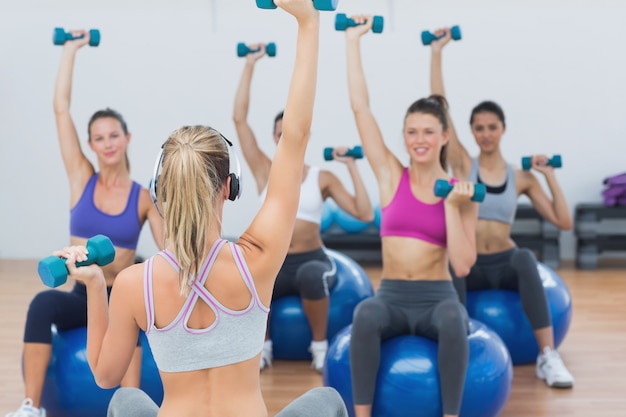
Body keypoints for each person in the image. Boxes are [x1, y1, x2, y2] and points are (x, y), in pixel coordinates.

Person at [38, 2, 348, 416]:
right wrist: (309, 21)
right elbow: (295, 136)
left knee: (124, 399)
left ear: (159, 190)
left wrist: (96, 284)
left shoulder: (134, 285)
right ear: (228, 187)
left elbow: (104, 375)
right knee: (327, 401)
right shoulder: (257, 261)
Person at [6, 30, 165, 417]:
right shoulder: (81, 179)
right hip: (82, 295)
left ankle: (127, 408)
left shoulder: (144, 196)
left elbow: (168, 250)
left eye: (114, 135)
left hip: (121, 294)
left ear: (127, 139)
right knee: (42, 305)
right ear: (90, 145)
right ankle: (31, 407)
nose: (107, 143)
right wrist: (70, 50)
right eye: (99, 138)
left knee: (142, 318)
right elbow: (61, 109)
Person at [344, 16, 479, 417]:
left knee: (456, 319)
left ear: (444, 137)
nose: (419, 140)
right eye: (411, 132)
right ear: (404, 136)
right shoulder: (390, 175)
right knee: (364, 314)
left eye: (427, 132)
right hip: (391, 296)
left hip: (438, 297)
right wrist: (353, 40)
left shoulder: (460, 192)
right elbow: (360, 107)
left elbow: (463, 264)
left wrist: (453, 208)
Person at [429, 27, 574, 388]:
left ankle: (547, 357)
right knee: (452, 261)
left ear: (503, 129)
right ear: (472, 132)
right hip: (472, 262)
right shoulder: (464, 165)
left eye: (492, 127)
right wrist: (436, 52)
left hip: (505, 262)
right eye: (479, 128)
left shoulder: (522, 177)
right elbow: (439, 108)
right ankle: (459, 348)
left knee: (525, 256)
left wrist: (550, 176)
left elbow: (564, 222)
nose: (486, 134)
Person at [233, 41, 374, 372]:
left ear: (303, 138)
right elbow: (239, 119)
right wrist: (250, 64)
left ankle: (320, 348)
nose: (285, 140)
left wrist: (351, 165)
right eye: (279, 134)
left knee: (312, 275)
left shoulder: (322, 177)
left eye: (290, 134)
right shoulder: (263, 169)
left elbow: (365, 214)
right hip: (274, 258)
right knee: (251, 276)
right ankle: (261, 347)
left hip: (312, 258)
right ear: (273, 138)